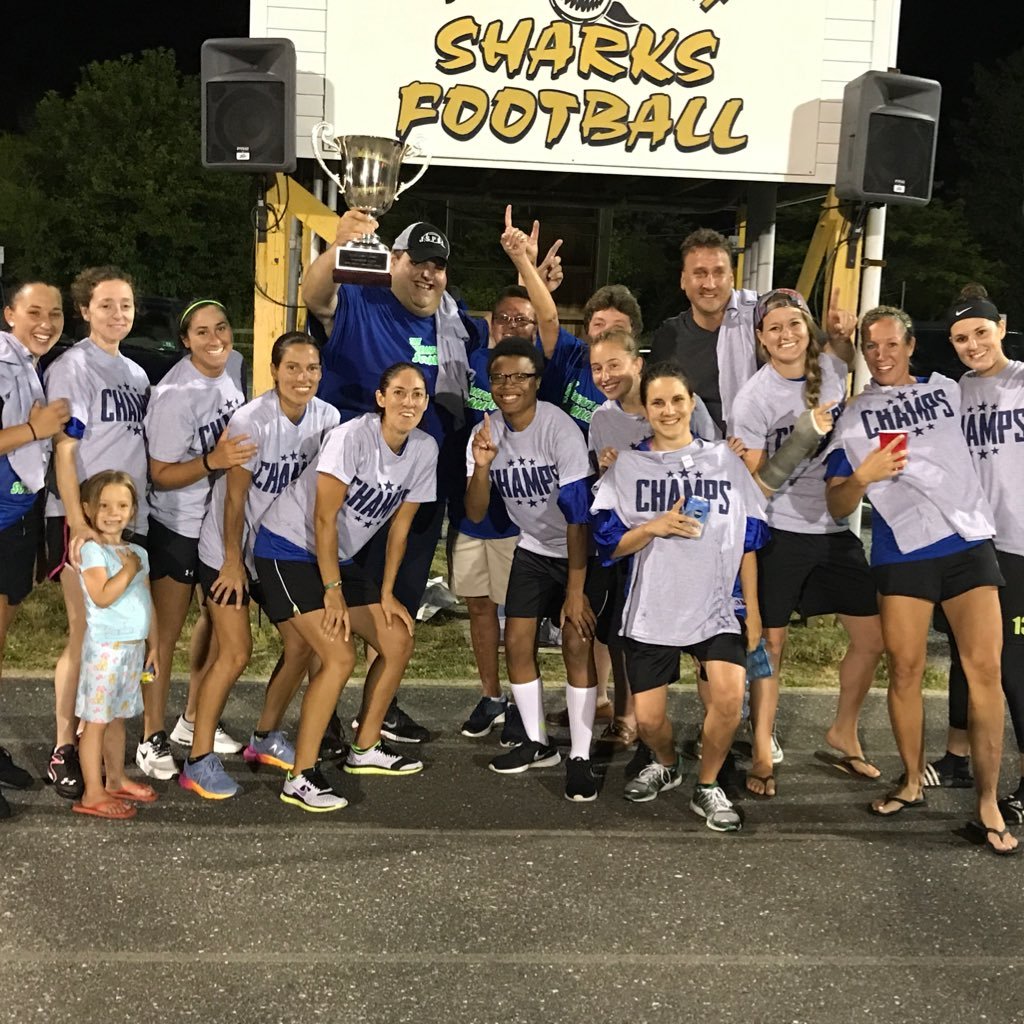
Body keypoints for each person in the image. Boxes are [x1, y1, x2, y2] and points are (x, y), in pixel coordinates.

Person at [824, 306, 1018, 855]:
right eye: (872, 347)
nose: (882, 355)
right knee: (905, 670)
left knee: (985, 672)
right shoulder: (855, 415)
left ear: (911, 345)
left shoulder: (949, 392)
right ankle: (910, 781)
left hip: (966, 544)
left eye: (892, 344)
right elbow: (835, 499)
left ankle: (987, 802)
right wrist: (862, 476)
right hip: (902, 552)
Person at [304, 215, 487, 743]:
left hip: (415, 488)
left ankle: (380, 711)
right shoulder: (361, 295)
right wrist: (337, 248)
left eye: (438, 267)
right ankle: (328, 717)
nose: (428, 275)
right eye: (418, 263)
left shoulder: (451, 321)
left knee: (396, 607)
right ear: (395, 261)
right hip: (354, 489)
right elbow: (315, 296)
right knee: (335, 611)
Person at [253, 363, 438, 812]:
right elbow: (323, 517)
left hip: (338, 558)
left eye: (417, 394)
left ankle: (365, 747)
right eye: (398, 392)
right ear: (381, 398)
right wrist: (332, 588)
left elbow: (400, 529)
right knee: (338, 655)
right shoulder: (352, 437)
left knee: (396, 639)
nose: (408, 402)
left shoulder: (425, 449)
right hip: (288, 548)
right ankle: (300, 775)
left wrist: (388, 591)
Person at [591, 361, 768, 831]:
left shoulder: (726, 461)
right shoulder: (627, 466)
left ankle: (707, 785)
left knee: (729, 699)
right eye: (657, 403)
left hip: (716, 605)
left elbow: (747, 540)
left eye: (677, 400)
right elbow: (608, 542)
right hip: (653, 608)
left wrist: (752, 612)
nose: (668, 410)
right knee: (648, 722)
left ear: (692, 404)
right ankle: (667, 762)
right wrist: (652, 527)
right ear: (645, 411)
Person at [729, 288, 883, 797]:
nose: (785, 334)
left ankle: (843, 730)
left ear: (806, 328)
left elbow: (844, 360)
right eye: (773, 327)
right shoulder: (753, 398)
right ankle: (760, 749)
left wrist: (843, 336)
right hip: (780, 531)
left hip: (834, 528)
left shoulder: (830, 370)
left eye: (794, 324)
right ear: (760, 338)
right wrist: (801, 438)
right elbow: (756, 486)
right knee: (771, 645)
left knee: (871, 638)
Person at [178, 332, 340, 799]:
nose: (302, 377)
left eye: (311, 368)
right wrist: (232, 561)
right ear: (274, 371)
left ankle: (266, 736)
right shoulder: (252, 420)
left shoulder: (328, 418)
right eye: (292, 367)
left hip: (278, 551)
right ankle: (198, 758)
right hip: (229, 548)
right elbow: (234, 498)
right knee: (235, 652)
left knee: (302, 645)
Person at [465, 338, 598, 801]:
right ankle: (537, 742)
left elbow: (579, 515)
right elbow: (477, 512)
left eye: (520, 376)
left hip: (577, 550)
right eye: (499, 377)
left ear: (537, 382)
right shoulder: (485, 433)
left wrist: (576, 591)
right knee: (516, 642)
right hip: (534, 547)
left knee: (577, 642)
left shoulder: (558, 428)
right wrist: (482, 466)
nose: (508, 386)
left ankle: (580, 755)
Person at [43, 267, 150, 801]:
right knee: (85, 630)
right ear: (84, 310)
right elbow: (66, 449)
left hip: (123, 523)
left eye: (125, 304)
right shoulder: (73, 366)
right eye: (106, 304)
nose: (117, 314)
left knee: (114, 635)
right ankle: (66, 744)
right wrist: (78, 521)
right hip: (86, 518)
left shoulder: (135, 373)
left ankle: (106, 756)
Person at [922, 287, 1024, 824]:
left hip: (1021, 546)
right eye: (961, 338)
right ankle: (958, 757)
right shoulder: (959, 390)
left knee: (1013, 666)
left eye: (981, 333)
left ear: (1001, 327)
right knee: (968, 654)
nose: (971, 344)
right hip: (976, 541)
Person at [140, 299, 253, 778]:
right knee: (162, 637)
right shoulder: (175, 394)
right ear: (185, 340)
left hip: (218, 521)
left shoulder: (236, 367)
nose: (215, 339)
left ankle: (191, 719)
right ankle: (150, 734)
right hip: (178, 524)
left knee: (214, 616)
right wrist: (213, 461)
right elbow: (160, 473)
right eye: (202, 332)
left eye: (222, 327)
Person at [0, 282, 70, 817]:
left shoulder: (34, 364)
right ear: (9, 314)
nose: (45, 322)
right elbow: (28, 432)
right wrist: (33, 428)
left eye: (55, 313)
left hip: (18, 518)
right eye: (33, 313)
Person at [72, 470, 159, 819]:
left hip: (132, 648)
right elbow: (102, 596)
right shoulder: (92, 551)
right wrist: (127, 570)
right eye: (104, 505)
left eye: (122, 505)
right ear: (88, 509)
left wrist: (153, 644)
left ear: (133, 509)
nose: (113, 512)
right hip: (106, 651)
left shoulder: (137, 550)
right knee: (96, 721)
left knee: (118, 718)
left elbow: (146, 600)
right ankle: (92, 791)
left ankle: (115, 777)